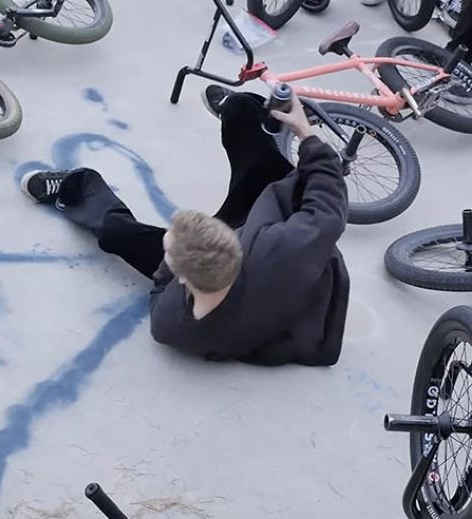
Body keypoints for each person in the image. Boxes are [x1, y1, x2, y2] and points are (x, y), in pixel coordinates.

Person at [19, 86, 350, 366]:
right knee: (241, 108)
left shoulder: (172, 324)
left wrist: (166, 269)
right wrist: (305, 133)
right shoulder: (285, 246)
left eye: (169, 252)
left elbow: (161, 285)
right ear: (232, 239)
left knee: (116, 233)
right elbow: (329, 205)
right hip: (285, 280)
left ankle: (74, 186)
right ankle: (263, 116)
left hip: (236, 281)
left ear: (181, 276)